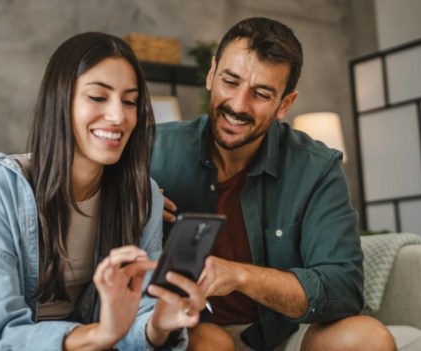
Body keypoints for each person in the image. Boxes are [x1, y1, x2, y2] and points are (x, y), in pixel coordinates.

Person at [0, 32, 207, 351]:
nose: (118, 116)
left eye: (129, 101)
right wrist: (100, 335)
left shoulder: (143, 198)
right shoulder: (2, 188)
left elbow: (136, 319)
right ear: (61, 100)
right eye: (98, 97)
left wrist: (157, 325)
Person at [151, 18, 396, 351]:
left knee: (368, 338)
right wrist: (136, 200)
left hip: (277, 332)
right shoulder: (152, 152)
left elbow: (343, 289)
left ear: (285, 104)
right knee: (211, 344)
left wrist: (240, 275)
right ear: (211, 74)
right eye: (230, 81)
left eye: (261, 94)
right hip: (190, 332)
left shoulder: (317, 168)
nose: (238, 105)